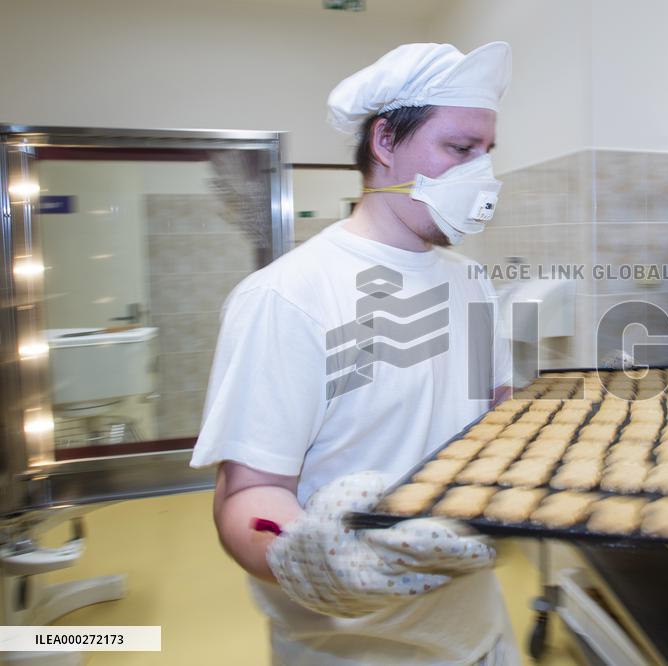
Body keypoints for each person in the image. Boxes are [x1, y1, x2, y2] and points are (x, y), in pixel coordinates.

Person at [190, 41, 519, 665]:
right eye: (459, 150)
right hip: (352, 649)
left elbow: (494, 422)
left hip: (475, 630)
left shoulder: (471, 282)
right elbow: (247, 495)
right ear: (386, 142)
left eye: (486, 154)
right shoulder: (288, 296)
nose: (481, 175)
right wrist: (311, 560)